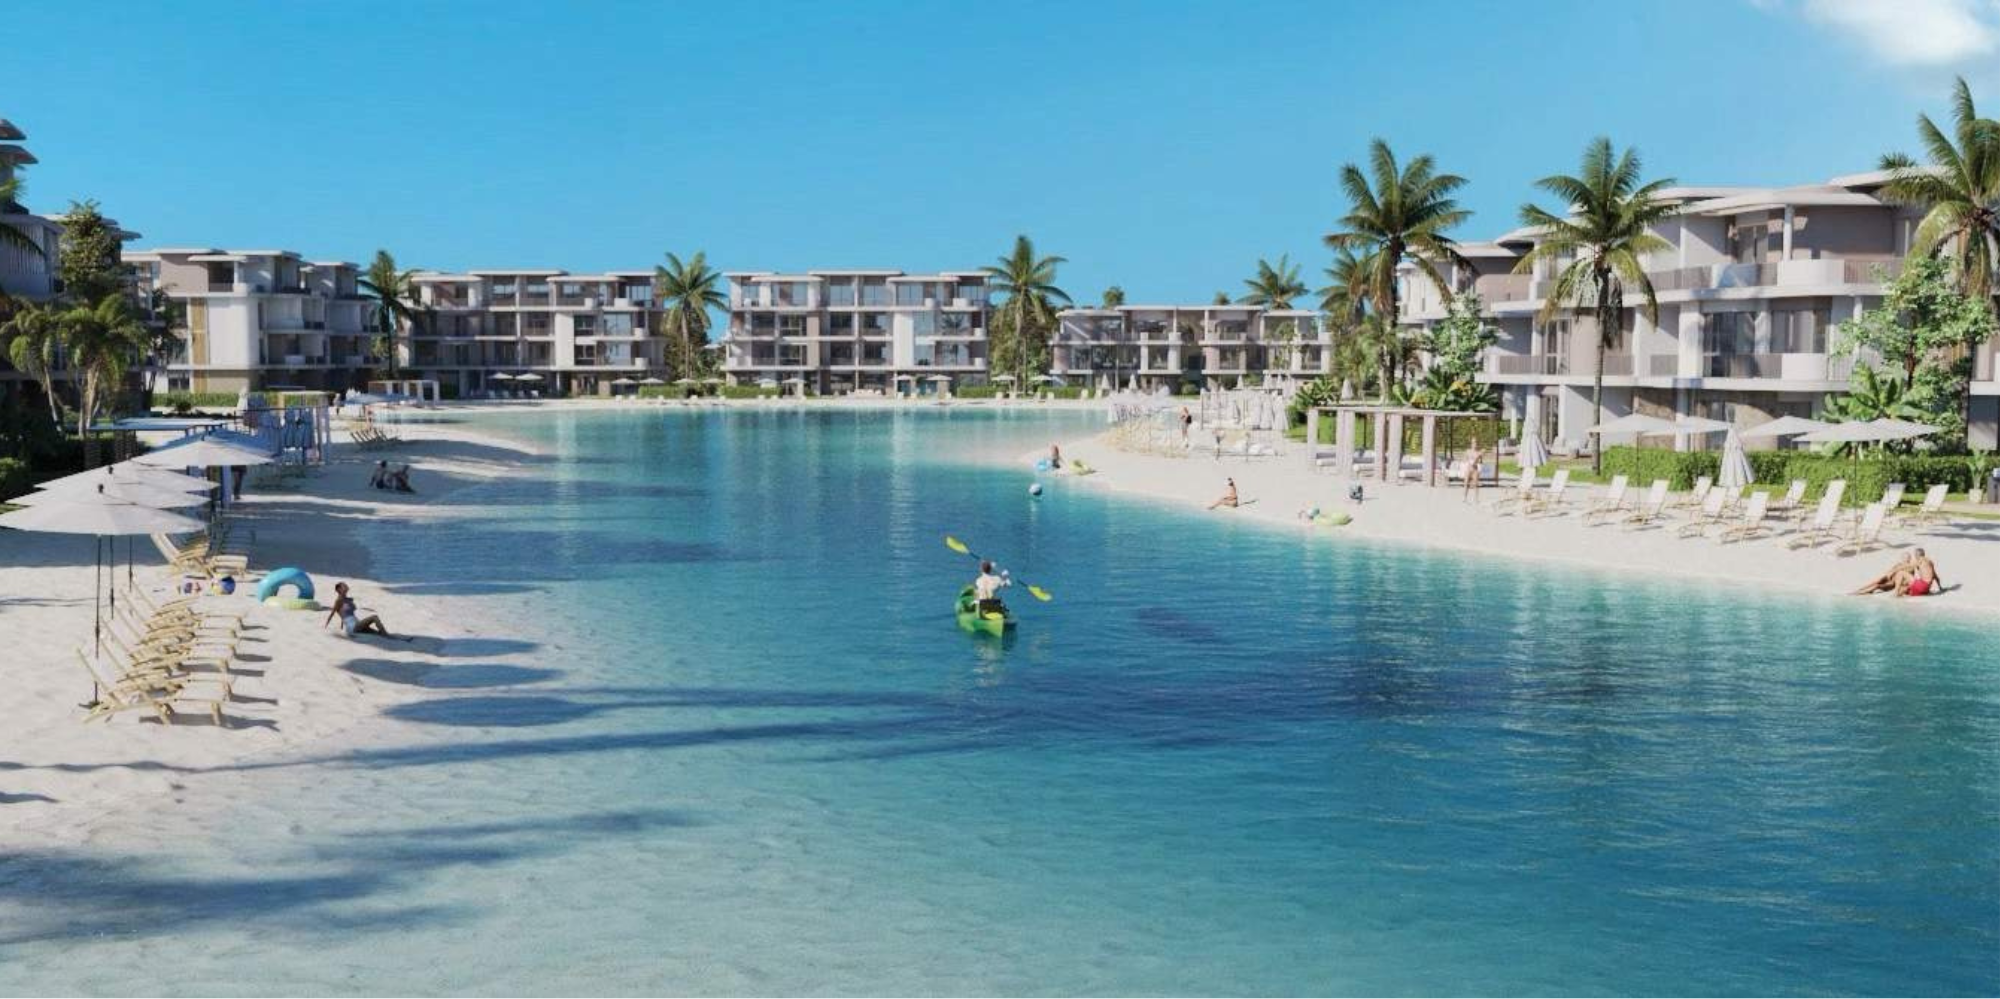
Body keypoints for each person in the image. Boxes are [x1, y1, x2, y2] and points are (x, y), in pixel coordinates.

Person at [323, 581, 400, 638]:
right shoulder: (338, 600)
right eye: (344, 585)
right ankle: (387, 635)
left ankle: (389, 636)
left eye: (345, 585)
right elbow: (333, 613)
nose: (346, 586)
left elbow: (343, 614)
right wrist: (325, 626)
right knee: (374, 617)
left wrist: (342, 625)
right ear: (339, 589)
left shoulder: (349, 599)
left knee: (377, 633)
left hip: (358, 624)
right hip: (353, 627)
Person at [1461, 437, 1485, 503]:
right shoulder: (1468, 451)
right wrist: (1467, 461)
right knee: (1466, 483)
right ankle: (1464, 498)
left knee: (1475, 484)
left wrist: (1479, 458)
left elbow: (1481, 462)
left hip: (1475, 470)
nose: (1474, 444)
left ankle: (1476, 499)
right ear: (1471, 443)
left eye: (1475, 442)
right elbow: (1464, 460)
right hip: (1468, 469)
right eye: (1473, 442)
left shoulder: (1478, 452)